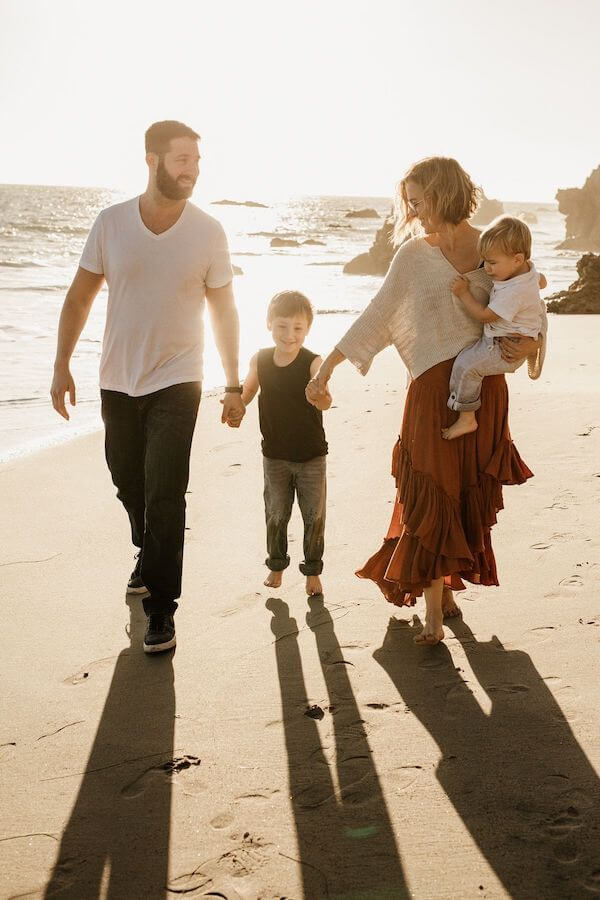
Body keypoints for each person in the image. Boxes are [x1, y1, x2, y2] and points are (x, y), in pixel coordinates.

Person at [306, 157, 545, 645]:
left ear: (446, 193)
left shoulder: (492, 245)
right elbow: (378, 313)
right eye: (409, 203)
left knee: (464, 495)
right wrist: (327, 366)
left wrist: (534, 345)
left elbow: (529, 299)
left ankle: (447, 593)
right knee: (432, 492)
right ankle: (435, 617)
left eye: (421, 200)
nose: (414, 211)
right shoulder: (413, 255)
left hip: (482, 392)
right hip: (431, 394)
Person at [50, 120, 244, 653]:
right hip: (117, 380)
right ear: (152, 160)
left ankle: (162, 608)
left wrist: (232, 383)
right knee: (127, 481)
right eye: (183, 160)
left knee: (164, 493)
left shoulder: (209, 232)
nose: (193, 171)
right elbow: (79, 298)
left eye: (197, 162)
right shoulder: (110, 224)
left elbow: (224, 308)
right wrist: (61, 363)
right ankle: (148, 550)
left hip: (180, 378)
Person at [233, 290, 331, 596]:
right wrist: (237, 407)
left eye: (298, 328)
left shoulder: (313, 362)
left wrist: (320, 396)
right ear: (268, 324)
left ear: (307, 329)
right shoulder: (260, 359)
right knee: (276, 512)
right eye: (282, 327)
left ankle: (312, 572)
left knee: (313, 515)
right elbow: (247, 391)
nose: (289, 335)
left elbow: (326, 400)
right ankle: (276, 566)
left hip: (311, 456)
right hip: (274, 455)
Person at [442, 216, 546, 440]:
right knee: (464, 362)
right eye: (484, 261)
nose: (486, 269)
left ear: (518, 259)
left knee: (467, 367)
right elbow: (542, 281)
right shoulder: (526, 270)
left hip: (504, 347)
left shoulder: (513, 292)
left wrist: (463, 293)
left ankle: (467, 418)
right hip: (503, 339)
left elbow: (485, 316)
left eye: (492, 263)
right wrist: (535, 283)